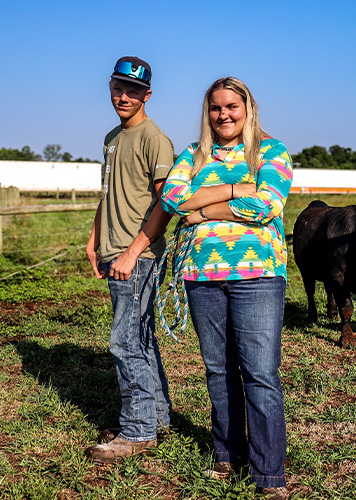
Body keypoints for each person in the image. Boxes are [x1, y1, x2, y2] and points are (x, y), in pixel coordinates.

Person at [160, 77, 293, 499]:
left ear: (247, 107)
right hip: (202, 274)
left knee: (259, 373)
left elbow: (268, 203)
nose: (224, 115)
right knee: (218, 370)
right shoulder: (193, 154)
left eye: (232, 106)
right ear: (208, 112)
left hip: (257, 275)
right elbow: (171, 199)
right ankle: (227, 455)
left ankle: (269, 474)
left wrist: (203, 209)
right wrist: (236, 190)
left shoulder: (272, 151)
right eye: (216, 108)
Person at [84, 56, 174, 463]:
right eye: (118, 88)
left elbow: (166, 203)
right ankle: (154, 418)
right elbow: (109, 194)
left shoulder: (155, 139)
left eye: (134, 90)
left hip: (135, 255)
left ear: (147, 95)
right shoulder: (111, 137)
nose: (124, 96)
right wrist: (94, 238)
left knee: (124, 341)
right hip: (113, 248)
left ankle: (136, 431)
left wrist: (132, 251)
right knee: (140, 338)